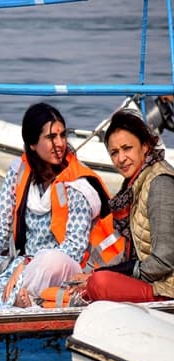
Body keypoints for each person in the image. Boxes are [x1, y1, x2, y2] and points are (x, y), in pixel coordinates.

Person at [0, 102, 121, 310]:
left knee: (50, 260)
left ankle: (16, 296)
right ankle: (17, 296)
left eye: (62, 135)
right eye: (51, 137)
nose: (60, 144)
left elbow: (74, 250)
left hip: (63, 269)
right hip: (19, 265)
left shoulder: (78, 184)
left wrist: (27, 265)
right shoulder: (19, 172)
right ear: (32, 143)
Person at [68, 109, 174, 302]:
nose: (121, 159)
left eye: (127, 148)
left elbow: (164, 261)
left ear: (145, 146)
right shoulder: (135, 184)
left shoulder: (160, 184)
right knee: (91, 280)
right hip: (153, 281)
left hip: (166, 289)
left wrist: (109, 275)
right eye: (114, 153)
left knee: (99, 283)